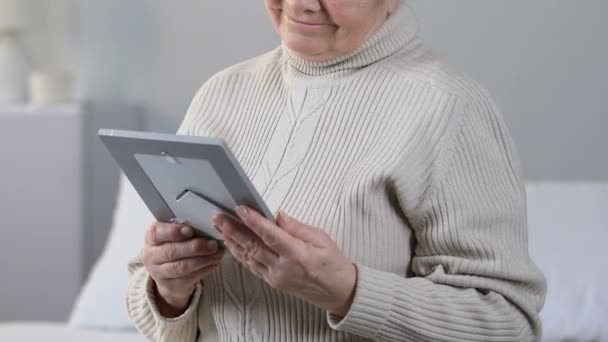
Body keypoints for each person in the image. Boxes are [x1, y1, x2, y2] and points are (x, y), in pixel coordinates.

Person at [126, 0, 547, 341]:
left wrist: (346, 290)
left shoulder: (450, 106)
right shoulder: (221, 93)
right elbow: (150, 302)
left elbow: (507, 322)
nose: (301, 4)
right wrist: (168, 288)